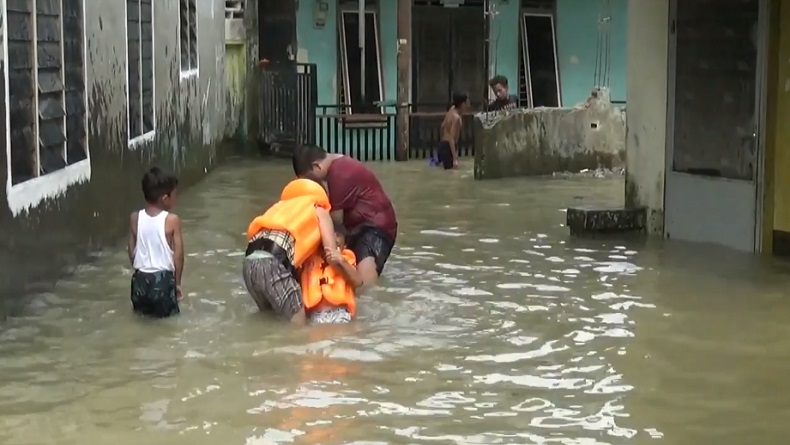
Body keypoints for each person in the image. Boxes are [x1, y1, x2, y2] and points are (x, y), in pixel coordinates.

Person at [292, 145, 397, 287]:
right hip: (359, 227)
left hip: (374, 228)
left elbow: (335, 220)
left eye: (311, 179)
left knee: (365, 286)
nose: (313, 184)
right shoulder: (337, 166)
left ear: (317, 166)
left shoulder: (339, 173)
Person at [243, 178, 338, 324]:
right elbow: (332, 255)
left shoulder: (279, 208)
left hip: (249, 263)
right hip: (273, 263)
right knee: (297, 329)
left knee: (269, 321)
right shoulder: (319, 209)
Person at [127, 167, 184, 318]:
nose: (176, 198)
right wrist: (177, 284)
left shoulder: (135, 218)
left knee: (141, 319)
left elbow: (131, 250)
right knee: (169, 323)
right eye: (174, 195)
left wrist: (140, 269)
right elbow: (178, 256)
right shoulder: (172, 220)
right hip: (162, 281)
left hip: (140, 280)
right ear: (165, 198)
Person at [301, 224, 363, 324]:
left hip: (340, 312)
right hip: (316, 314)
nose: (333, 238)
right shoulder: (311, 261)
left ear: (345, 245)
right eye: (329, 235)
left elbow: (358, 282)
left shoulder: (346, 260)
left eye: (338, 235)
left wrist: (341, 261)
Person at [433, 92, 469, 170]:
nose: (468, 104)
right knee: (452, 172)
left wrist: (442, 141)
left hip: (442, 145)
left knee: (440, 170)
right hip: (448, 148)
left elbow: (442, 126)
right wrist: (455, 159)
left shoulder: (452, 109)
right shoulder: (456, 118)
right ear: (462, 104)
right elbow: (452, 139)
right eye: (467, 102)